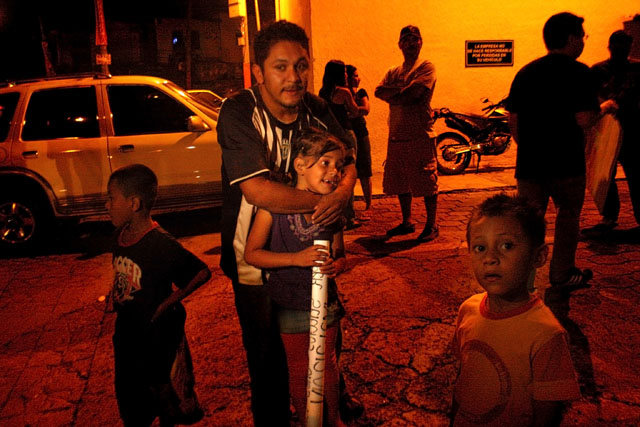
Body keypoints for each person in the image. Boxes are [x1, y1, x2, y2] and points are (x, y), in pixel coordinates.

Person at [216, 20, 359, 426]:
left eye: (301, 65)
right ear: (258, 72)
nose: (293, 77)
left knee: (327, 340)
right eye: (280, 67)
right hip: (255, 263)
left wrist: (343, 191)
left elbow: (347, 157)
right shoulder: (239, 112)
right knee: (267, 359)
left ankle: (333, 402)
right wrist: (327, 200)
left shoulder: (316, 107)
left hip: (312, 256)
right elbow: (259, 192)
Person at [245, 129, 348, 427]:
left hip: (325, 303)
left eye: (339, 166)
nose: (334, 172)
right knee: (299, 366)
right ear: (300, 165)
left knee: (327, 364)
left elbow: (342, 255)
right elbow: (252, 254)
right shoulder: (273, 209)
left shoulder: (332, 210)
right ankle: (307, 419)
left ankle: (334, 418)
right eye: (325, 163)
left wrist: (337, 266)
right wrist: (294, 259)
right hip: (289, 304)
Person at [452, 193, 581, 426]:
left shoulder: (546, 334)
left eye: (506, 245)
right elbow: (464, 378)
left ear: (538, 256)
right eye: (480, 247)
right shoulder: (468, 310)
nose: (490, 258)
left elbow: (547, 414)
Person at [107, 164, 210, 426]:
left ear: (134, 203)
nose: (107, 205)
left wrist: (167, 303)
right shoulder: (120, 235)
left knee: (165, 397)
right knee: (131, 401)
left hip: (157, 338)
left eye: (111, 198)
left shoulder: (160, 243)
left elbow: (200, 273)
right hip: (128, 336)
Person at [506, 12, 600, 288]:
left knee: (528, 224)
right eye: (582, 36)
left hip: (530, 164)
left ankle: (521, 279)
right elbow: (584, 118)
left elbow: (514, 121)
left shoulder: (526, 72)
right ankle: (562, 274)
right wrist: (603, 111)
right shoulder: (580, 72)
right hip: (567, 163)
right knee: (568, 218)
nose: (583, 41)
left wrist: (529, 147)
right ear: (571, 38)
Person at [374, 25, 439, 243]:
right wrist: (401, 91)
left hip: (419, 134)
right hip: (397, 135)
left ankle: (432, 225)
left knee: (426, 180)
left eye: (415, 39)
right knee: (400, 181)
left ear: (421, 42)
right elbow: (378, 91)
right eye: (407, 40)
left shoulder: (426, 67)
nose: (411, 43)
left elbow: (414, 94)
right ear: (400, 44)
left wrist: (395, 93)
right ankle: (407, 221)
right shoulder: (394, 70)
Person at [582, 30, 640, 236]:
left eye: (624, 47)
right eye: (617, 47)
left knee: (635, 175)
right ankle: (608, 217)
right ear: (610, 47)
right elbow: (589, 98)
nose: (621, 51)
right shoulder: (597, 71)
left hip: (632, 130)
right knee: (604, 174)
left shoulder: (637, 69)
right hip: (605, 129)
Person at [319, 59, 361, 229]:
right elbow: (355, 111)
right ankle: (349, 216)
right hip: (346, 133)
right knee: (349, 175)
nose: (346, 74)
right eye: (344, 71)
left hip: (330, 136)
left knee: (335, 176)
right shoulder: (344, 92)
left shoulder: (323, 92)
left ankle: (337, 215)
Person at [347, 64, 373, 219]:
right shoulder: (342, 94)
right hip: (348, 135)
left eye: (357, 75)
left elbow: (366, 109)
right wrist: (355, 112)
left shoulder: (360, 93)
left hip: (361, 133)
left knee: (365, 170)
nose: (357, 78)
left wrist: (352, 111)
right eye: (354, 76)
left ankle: (368, 203)